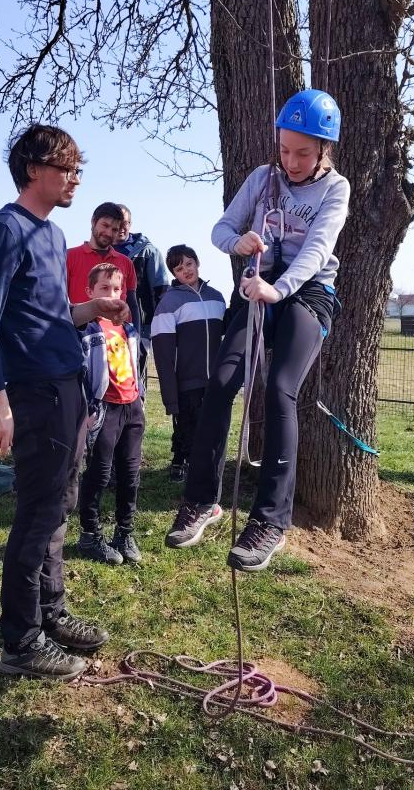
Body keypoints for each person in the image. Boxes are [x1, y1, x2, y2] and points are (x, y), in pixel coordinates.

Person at [0, 124, 130, 682]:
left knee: (61, 503)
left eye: (79, 169)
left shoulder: (54, 235)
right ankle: (21, 640)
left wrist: (94, 310)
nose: (75, 179)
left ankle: (50, 613)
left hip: (68, 386)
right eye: (67, 168)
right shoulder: (3, 230)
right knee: (38, 511)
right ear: (34, 169)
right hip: (31, 391)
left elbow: (53, 313)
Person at [165, 89, 350, 571]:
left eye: (303, 153)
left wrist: (278, 288)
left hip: (307, 293)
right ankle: (201, 500)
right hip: (256, 290)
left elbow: (317, 250)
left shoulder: (336, 189)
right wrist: (240, 242)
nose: (291, 161)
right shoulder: (262, 179)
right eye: (284, 149)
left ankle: (270, 521)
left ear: (324, 148)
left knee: (281, 388)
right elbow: (220, 231)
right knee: (221, 383)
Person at [77, 264, 144, 565]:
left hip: (132, 408)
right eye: (104, 288)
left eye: (116, 289)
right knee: (100, 473)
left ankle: (124, 532)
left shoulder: (129, 329)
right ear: (90, 292)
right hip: (104, 410)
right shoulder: (86, 329)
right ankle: (90, 535)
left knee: (130, 474)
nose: (111, 294)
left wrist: (140, 398)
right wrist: (86, 409)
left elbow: (136, 364)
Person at [151, 245, 226, 482]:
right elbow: (163, 353)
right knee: (186, 425)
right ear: (174, 274)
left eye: (189, 263)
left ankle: (205, 470)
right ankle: (181, 461)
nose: (186, 270)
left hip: (214, 379)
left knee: (210, 428)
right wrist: (170, 396)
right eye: (178, 268)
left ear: (197, 262)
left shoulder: (217, 297)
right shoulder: (169, 303)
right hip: (186, 380)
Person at [114, 205, 171, 383]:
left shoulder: (148, 252)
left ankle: (138, 400)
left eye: (125, 222)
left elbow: (161, 292)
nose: (121, 227)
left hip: (140, 326)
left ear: (130, 224)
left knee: (135, 373)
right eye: (117, 222)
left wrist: (158, 327)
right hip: (106, 325)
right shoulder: (101, 250)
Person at [66, 202, 140, 327]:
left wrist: (136, 332)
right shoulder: (68, 257)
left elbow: (132, 303)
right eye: (105, 225)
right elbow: (59, 301)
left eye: (114, 229)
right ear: (93, 221)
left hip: (119, 335)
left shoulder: (126, 262)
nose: (109, 233)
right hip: (80, 333)